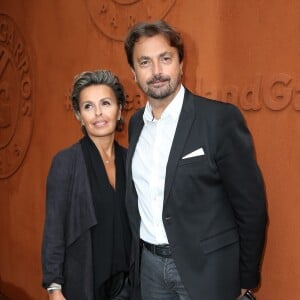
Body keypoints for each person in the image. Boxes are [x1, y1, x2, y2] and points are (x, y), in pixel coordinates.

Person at [124, 20, 267, 300]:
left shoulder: (219, 120)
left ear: (180, 63)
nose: (156, 72)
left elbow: (251, 208)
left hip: (208, 271)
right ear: (133, 73)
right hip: (150, 269)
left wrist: (246, 277)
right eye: (144, 62)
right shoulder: (135, 125)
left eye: (165, 59)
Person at [41, 70, 131, 300]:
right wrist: (54, 287)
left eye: (106, 103)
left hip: (128, 285)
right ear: (79, 115)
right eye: (88, 106)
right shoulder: (66, 162)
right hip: (85, 282)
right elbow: (54, 229)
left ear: (120, 109)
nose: (98, 113)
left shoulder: (131, 160)